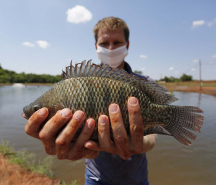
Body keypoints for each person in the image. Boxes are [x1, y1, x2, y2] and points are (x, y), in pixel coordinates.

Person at [24, 17, 157, 185]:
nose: (110, 48)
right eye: (104, 43)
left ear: (127, 45)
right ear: (96, 46)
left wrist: (140, 143)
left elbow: (152, 135)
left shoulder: (144, 83)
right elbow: (82, 141)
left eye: (117, 42)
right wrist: (77, 146)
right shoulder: (78, 83)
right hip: (96, 179)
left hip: (137, 179)